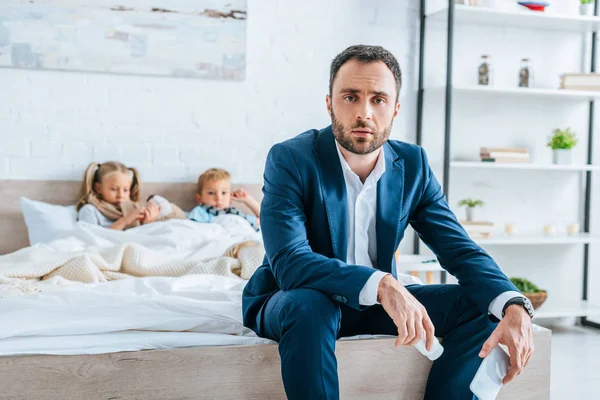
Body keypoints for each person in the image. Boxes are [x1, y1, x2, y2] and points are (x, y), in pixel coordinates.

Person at [242, 45, 535, 399]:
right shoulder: (291, 158)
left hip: (374, 306)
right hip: (296, 300)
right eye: (350, 97)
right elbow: (290, 263)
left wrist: (514, 305)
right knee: (310, 305)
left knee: (482, 305)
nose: (364, 113)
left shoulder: (413, 164)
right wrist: (382, 284)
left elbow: (459, 250)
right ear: (329, 103)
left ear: (395, 108)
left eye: (378, 99)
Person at [76, 161, 161, 230]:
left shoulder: (133, 209)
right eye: (113, 189)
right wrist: (125, 221)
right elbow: (91, 238)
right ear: (98, 188)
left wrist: (147, 223)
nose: (120, 195)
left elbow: (138, 237)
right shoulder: (89, 210)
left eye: (125, 190)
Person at [188, 168, 261, 231]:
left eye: (224, 193)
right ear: (199, 198)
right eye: (211, 193)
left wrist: (247, 200)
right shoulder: (200, 212)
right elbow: (194, 229)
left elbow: (264, 219)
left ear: (230, 197)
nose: (219, 198)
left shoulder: (236, 213)